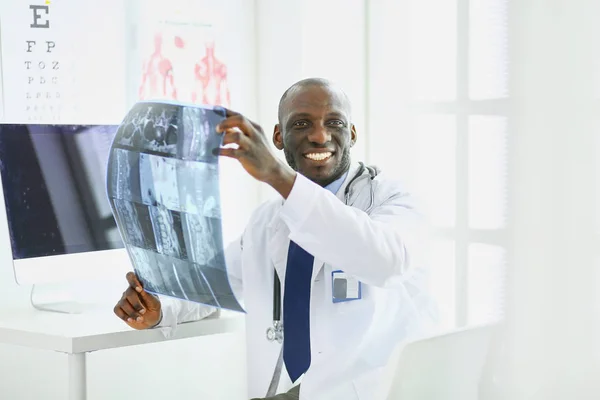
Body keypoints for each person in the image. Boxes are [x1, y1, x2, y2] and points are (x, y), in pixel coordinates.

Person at [113, 78, 438, 399]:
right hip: (299, 390)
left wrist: (277, 175)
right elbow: (212, 285)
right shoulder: (268, 223)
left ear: (351, 133)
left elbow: (386, 260)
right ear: (278, 137)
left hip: (381, 390)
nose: (319, 135)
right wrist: (157, 307)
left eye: (334, 122)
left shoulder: (393, 199)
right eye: (301, 123)